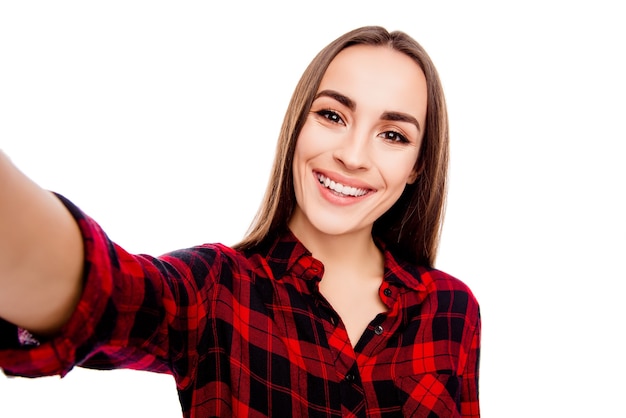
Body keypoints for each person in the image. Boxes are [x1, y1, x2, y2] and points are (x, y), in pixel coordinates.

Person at [0, 25, 480, 417]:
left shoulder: (451, 310)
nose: (353, 156)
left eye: (392, 134)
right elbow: (100, 291)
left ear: (418, 164)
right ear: (298, 126)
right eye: (333, 115)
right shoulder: (218, 287)